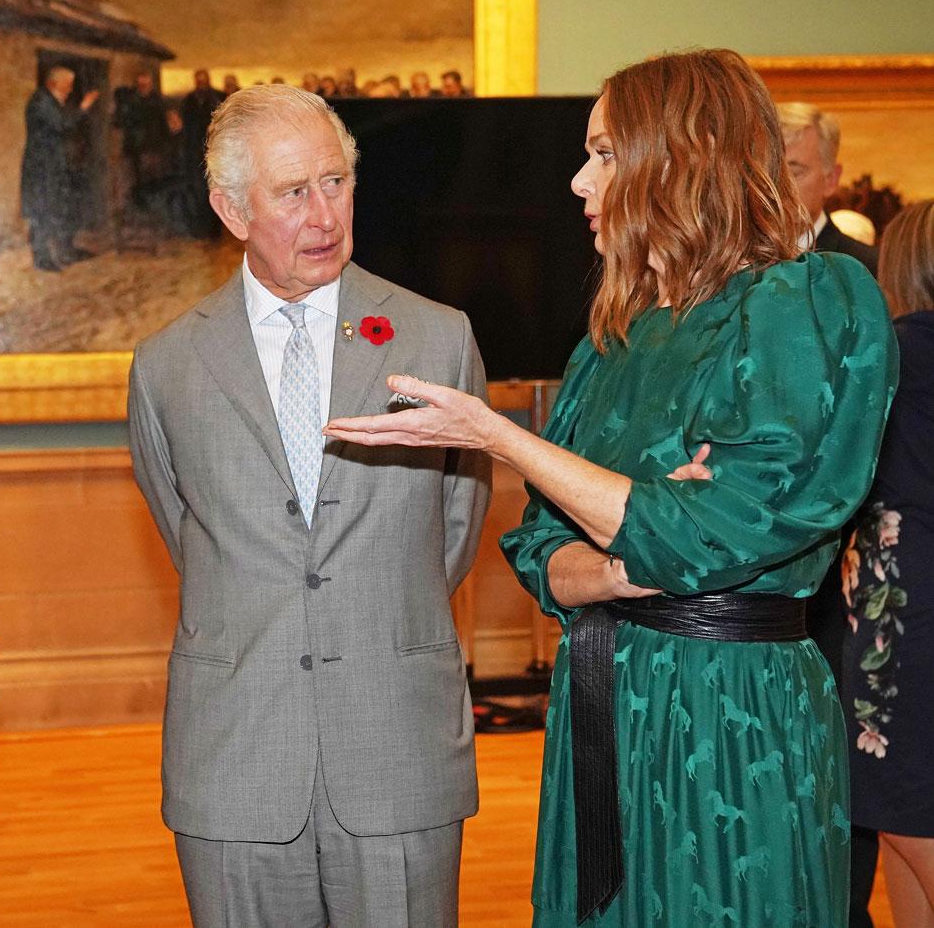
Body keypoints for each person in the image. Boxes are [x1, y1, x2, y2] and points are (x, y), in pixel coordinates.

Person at [325, 49, 898, 925]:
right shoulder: (611, 340)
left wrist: (498, 436)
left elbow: (725, 531)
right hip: (603, 701)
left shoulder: (807, 299)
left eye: (602, 153)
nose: (577, 180)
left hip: (733, 713)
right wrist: (624, 562)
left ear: (682, 157)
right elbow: (539, 546)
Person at [128, 84, 491, 926]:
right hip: (236, 753)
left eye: (336, 182)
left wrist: (370, 610)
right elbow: (190, 533)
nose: (324, 214)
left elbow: (456, 527)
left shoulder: (437, 338)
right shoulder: (169, 364)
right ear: (230, 208)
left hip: (396, 742)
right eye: (293, 193)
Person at [779, 99, 885, 926]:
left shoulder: (862, 276)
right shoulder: (718, 273)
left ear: (833, 179)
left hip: (835, 588)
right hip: (735, 596)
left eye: (796, 167)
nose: (779, 183)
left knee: (841, 782)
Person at [842, 199, 934, 928]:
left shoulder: (900, 352)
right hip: (907, 606)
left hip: (908, 617)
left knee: (907, 824)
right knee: (905, 833)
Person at [778, 101, 880, 274]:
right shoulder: (733, 266)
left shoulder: (866, 269)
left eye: (793, 174)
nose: (775, 185)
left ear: (831, 179)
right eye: (766, 170)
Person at [20, 65, 100, 270]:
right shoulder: (41, 102)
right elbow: (62, 125)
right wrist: (83, 108)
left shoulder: (52, 102)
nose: (70, 90)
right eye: (67, 85)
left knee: (62, 207)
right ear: (53, 84)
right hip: (42, 169)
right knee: (42, 211)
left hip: (55, 166)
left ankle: (67, 250)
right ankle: (42, 259)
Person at [178, 69, 226, 238]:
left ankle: (214, 231)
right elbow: (183, 126)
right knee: (197, 191)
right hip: (194, 151)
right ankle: (199, 230)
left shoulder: (218, 97)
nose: (201, 84)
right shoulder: (189, 100)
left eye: (203, 81)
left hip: (214, 150)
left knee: (214, 189)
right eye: (198, 81)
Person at [112, 71, 170, 208]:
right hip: (133, 147)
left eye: (146, 84)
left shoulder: (158, 101)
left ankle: (150, 206)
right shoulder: (129, 100)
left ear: (151, 85)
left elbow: (163, 125)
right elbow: (120, 122)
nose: (143, 87)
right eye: (141, 84)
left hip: (152, 146)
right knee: (134, 179)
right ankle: (139, 207)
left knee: (152, 179)